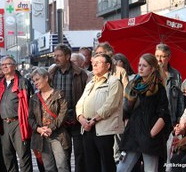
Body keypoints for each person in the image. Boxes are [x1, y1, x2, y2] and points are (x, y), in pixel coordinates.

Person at [117, 53, 170, 172]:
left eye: (144, 66)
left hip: (149, 135)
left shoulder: (158, 88)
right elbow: (126, 111)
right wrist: (128, 126)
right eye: (139, 65)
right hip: (132, 134)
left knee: (150, 169)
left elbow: (164, 115)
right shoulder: (133, 85)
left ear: (152, 68)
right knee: (121, 169)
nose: (140, 68)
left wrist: (151, 134)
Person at [76, 53, 124, 172]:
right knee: (91, 164)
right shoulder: (91, 83)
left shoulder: (114, 82)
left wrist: (93, 120)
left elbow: (110, 105)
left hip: (104, 130)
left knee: (107, 163)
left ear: (108, 65)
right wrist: (82, 119)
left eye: (99, 62)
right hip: (87, 129)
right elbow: (80, 104)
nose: (95, 65)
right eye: (93, 62)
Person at [48, 44, 88, 172]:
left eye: (59, 56)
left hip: (76, 119)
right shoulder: (52, 74)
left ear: (67, 57)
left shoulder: (80, 74)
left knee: (80, 154)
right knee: (63, 156)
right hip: (59, 121)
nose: (56, 58)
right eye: (55, 56)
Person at [0, 56, 34, 172]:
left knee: (23, 157)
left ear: (14, 66)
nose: (5, 66)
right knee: (8, 157)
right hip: (3, 124)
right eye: (3, 65)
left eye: (8, 64)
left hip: (18, 123)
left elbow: (31, 103)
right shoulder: (0, 84)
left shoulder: (22, 82)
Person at [29, 67, 70, 172]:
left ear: (46, 78)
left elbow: (63, 114)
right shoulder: (34, 98)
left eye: (37, 79)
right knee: (48, 167)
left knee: (62, 166)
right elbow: (31, 118)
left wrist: (51, 128)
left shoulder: (59, 94)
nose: (35, 83)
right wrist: (38, 129)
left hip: (58, 135)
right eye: (34, 81)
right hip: (42, 136)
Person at [155, 43, 185, 128]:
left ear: (169, 57)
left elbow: (180, 99)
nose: (159, 59)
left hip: (171, 121)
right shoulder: (150, 74)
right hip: (154, 121)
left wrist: (180, 119)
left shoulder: (176, 75)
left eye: (162, 56)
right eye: (157, 56)